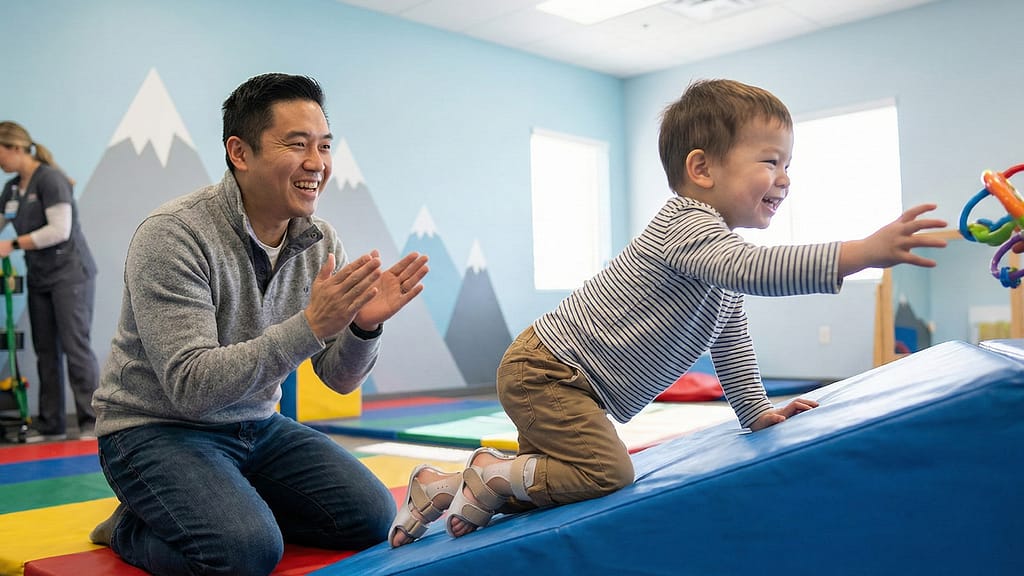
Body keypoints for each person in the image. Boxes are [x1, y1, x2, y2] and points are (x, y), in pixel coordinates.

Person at [388, 78, 949, 548]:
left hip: (571, 383)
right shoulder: (686, 227)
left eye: (788, 164)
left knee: (552, 490)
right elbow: (760, 271)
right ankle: (487, 471)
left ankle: (439, 484)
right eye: (770, 161)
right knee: (605, 473)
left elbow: (730, 337)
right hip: (549, 373)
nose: (785, 178)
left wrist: (754, 411)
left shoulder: (716, 252)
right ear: (702, 169)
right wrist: (862, 253)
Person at [88, 73, 429, 575]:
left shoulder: (319, 241)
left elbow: (338, 380)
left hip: (257, 426)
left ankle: (226, 504)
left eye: (325, 146)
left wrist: (362, 328)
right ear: (240, 153)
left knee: (372, 517)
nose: (317, 163)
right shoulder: (173, 235)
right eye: (297, 144)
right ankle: (128, 527)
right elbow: (191, 387)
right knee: (245, 554)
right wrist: (311, 325)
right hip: (156, 429)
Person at [0, 121, 99, 442]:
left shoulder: (51, 179)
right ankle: (51, 423)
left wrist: (13, 245)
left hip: (70, 274)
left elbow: (60, 231)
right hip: (40, 276)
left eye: (0, 153)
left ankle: (90, 422)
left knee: (75, 347)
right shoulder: (12, 188)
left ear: (16, 148)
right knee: (45, 350)